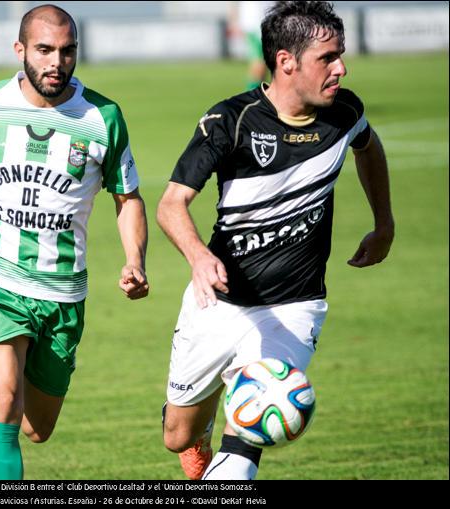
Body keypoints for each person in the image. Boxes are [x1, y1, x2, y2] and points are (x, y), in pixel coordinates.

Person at [0, 4, 149, 480]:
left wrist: (134, 259)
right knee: (4, 394)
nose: (56, 62)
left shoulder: (103, 118)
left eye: (66, 51)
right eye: (44, 50)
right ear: (20, 50)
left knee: (37, 427)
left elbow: (129, 198)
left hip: (61, 292)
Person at [157, 1, 394, 480]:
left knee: (250, 431)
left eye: (340, 55)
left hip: (293, 306)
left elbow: (369, 147)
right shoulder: (231, 121)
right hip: (218, 302)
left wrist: (384, 222)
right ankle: (196, 438)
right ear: (287, 61)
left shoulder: (344, 112)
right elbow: (170, 204)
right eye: (327, 58)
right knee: (177, 435)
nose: (341, 68)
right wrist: (199, 256)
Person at [227, 1, 275, 90]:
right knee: (260, 62)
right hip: (256, 23)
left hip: (269, 20)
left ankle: (258, 97)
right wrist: (233, 21)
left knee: (266, 64)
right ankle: (250, 98)